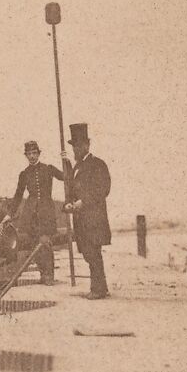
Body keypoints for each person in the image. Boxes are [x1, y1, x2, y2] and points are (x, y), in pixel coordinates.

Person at [3, 140, 65, 284]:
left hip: (46, 212)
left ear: (38, 154)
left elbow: (65, 177)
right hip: (30, 214)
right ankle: (43, 274)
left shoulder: (48, 169)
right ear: (26, 155)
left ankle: (49, 275)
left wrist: (65, 161)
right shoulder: (24, 174)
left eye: (34, 153)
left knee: (45, 242)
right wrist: (10, 214)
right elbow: (18, 195)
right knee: (33, 244)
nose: (32, 156)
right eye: (29, 154)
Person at [63, 123, 112, 299]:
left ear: (87, 145)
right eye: (74, 146)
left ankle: (98, 289)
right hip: (81, 220)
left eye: (79, 145)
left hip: (94, 218)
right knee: (87, 253)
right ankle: (101, 287)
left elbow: (103, 189)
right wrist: (68, 204)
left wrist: (83, 202)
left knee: (93, 253)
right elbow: (70, 189)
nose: (76, 149)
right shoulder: (76, 168)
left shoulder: (98, 164)